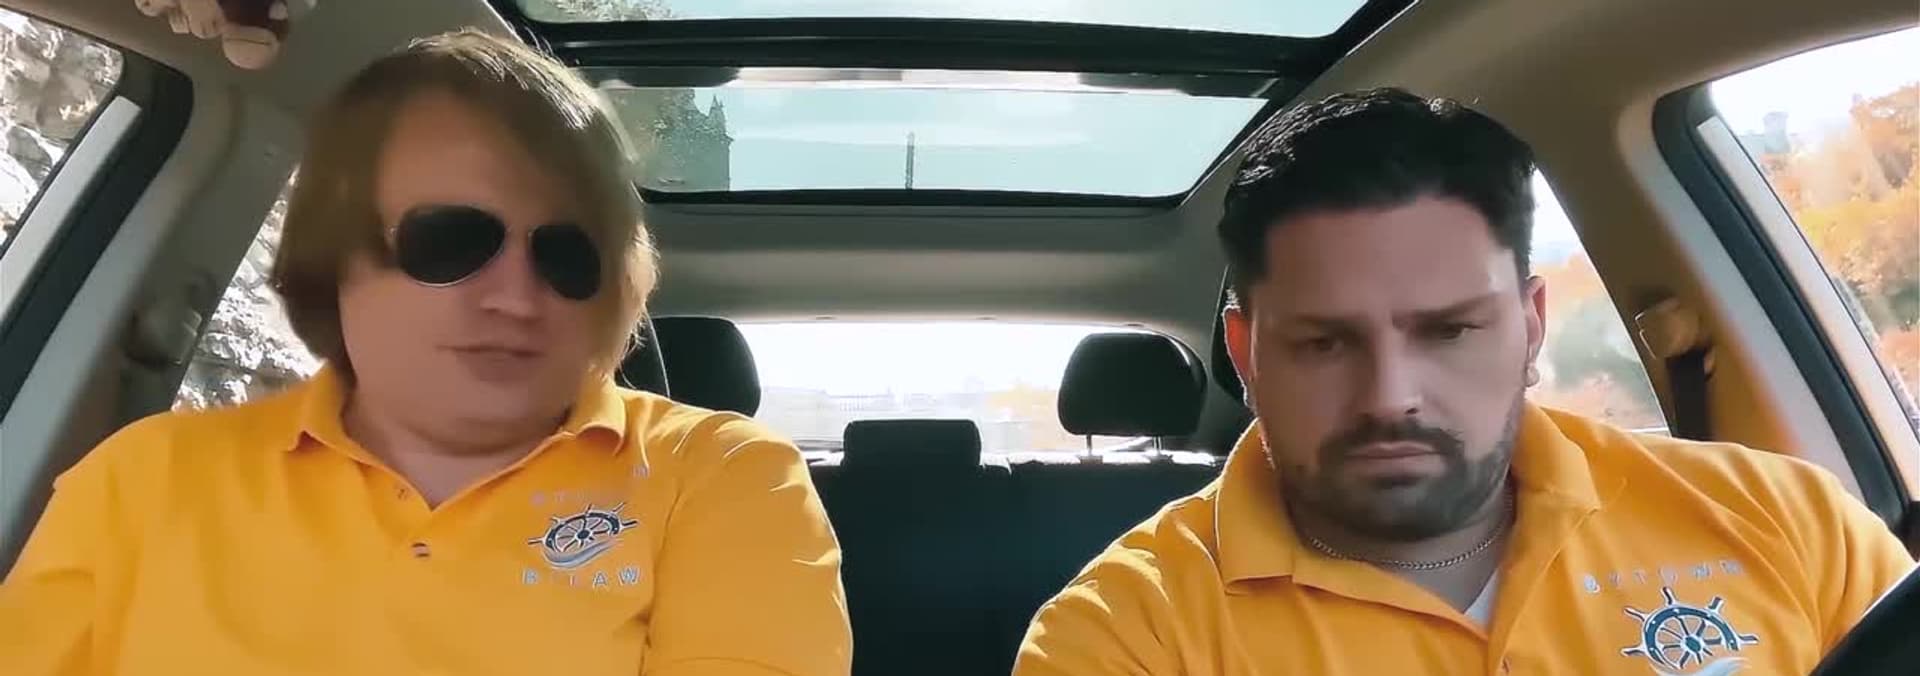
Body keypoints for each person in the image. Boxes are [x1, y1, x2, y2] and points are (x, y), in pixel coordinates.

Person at [0, 30, 850, 675]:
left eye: (567, 255)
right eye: (451, 242)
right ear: (335, 259)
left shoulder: (719, 476)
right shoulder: (140, 482)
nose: (518, 296)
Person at [1015, 88, 1914, 675]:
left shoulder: (1786, 521)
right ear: (1247, 356)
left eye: (1449, 331)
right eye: (1325, 343)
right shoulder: (1127, 632)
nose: (1389, 395)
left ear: (1530, 326)